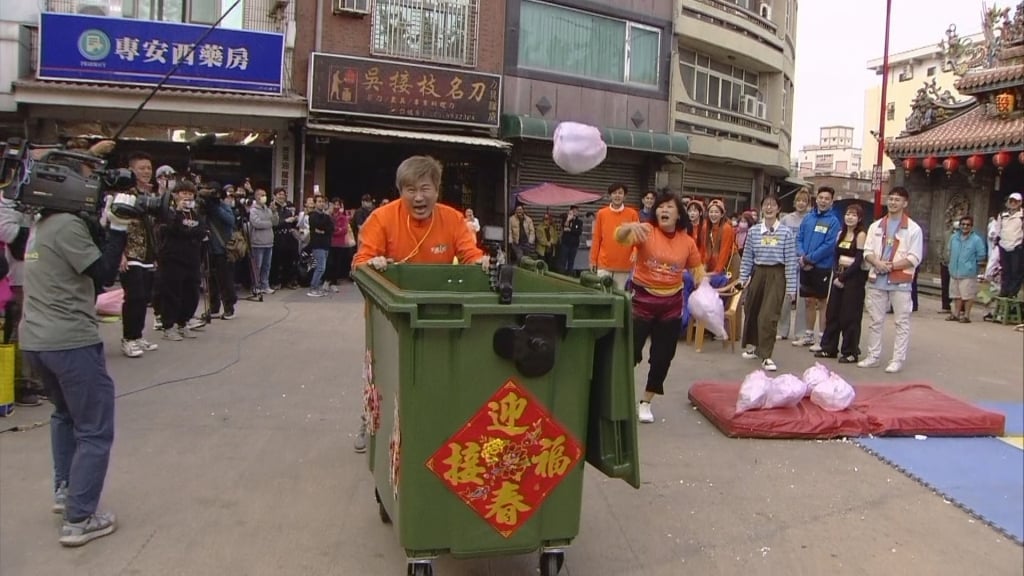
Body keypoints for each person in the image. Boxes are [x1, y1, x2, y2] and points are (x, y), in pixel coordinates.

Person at [350, 156, 487, 452]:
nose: (419, 197)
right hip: (386, 316)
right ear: (400, 191)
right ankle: (369, 418)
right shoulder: (381, 219)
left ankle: (429, 426)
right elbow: (359, 264)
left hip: (436, 316)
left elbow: (470, 256)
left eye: (425, 188)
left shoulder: (452, 219)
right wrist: (374, 263)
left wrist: (482, 263)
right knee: (381, 370)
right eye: (410, 190)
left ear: (437, 189)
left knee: (432, 373)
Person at [20, 193, 130, 546]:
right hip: (70, 341)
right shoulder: (67, 225)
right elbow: (103, 273)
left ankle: (65, 491)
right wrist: (119, 228)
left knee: (64, 415)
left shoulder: (43, 223)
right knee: (94, 429)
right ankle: (80, 518)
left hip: (36, 340)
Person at [615, 192, 705, 423]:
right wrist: (628, 228)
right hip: (641, 302)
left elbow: (697, 270)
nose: (663, 210)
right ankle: (619, 397)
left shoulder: (687, 241)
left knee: (662, 357)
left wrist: (705, 293)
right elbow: (620, 237)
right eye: (660, 206)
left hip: (671, 307)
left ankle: (646, 401)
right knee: (629, 353)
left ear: (678, 214)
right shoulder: (645, 231)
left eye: (669, 207)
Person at [858, 186, 923, 374]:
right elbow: (868, 251)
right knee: (875, 320)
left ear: (905, 203)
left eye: (897, 200)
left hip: (900, 280)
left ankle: (897, 359)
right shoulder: (876, 226)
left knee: (901, 322)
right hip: (877, 278)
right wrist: (878, 263)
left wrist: (891, 266)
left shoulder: (913, 229)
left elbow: (914, 258)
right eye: (891, 199)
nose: (893, 202)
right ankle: (873, 356)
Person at [737, 194, 798, 372]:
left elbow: (791, 261)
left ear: (779, 209)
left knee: (768, 315)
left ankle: (767, 355)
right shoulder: (755, 231)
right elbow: (748, 256)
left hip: (777, 274)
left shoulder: (785, 232)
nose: (769, 208)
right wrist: (743, 278)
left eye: (773, 205)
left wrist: (791, 287)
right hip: (758, 272)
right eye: (766, 205)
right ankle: (755, 347)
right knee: (752, 309)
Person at [815, 204, 868, 363]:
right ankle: (829, 348)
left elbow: (859, 260)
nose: (850, 217)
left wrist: (843, 278)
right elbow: (836, 257)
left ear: (859, 218)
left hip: (853, 279)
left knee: (849, 315)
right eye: (847, 214)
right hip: (838, 275)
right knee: (833, 313)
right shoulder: (840, 234)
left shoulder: (861, 235)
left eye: (853, 215)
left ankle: (850, 351)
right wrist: (837, 274)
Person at [158, 181, 206, 341]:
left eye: (190, 194)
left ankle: (183, 322)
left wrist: (187, 232)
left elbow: (201, 231)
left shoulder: (196, 214)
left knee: (192, 292)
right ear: (176, 195)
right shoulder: (169, 212)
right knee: (172, 292)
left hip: (192, 258)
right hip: (172, 258)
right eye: (184, 193)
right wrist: (179, 216)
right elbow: (170, 230)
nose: (187, 197)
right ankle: (168, 326)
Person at [793, 187, 840, 351]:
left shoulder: (834, 221)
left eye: (827, 198)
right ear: (816, 199)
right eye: (821, 197)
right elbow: (799, 238)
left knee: (821, 302)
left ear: (831, 201)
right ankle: (808, 336)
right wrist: (802, 255)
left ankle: (822, 338)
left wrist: (810, 258)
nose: (823, 201)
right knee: (808, 301)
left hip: (822, 267)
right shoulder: (808, 218)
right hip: (804, 265)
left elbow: (829, 245)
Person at [591, 183, 640, 289]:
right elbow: (597, 238)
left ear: (625, 196)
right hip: (604, 262)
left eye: (620, 193)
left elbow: (637, 237)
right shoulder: (601, 213)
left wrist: (635, 251)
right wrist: (592, 260)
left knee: (619, 296)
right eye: (614, 193)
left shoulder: (632, 214)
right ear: (610, 196)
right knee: (602, 293)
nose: (617, 196)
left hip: (624, 264)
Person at [777, 188, 810, 340]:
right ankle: (782, 330)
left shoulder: (810, 219)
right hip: (787, 261)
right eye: (798, 201)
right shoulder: (786, 219)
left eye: (804, 201)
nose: (801, 203)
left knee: (802, 299)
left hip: (804, 261)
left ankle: (800, 332)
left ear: (808, 203)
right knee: (785, 297)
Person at [204, 183, 239, 320]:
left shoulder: (223, 206)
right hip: (208, 248)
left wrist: (215, 208)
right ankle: (214, 307)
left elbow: (231, 221)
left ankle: (229, 307)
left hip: (223, 248)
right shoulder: (204, 208)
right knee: (210, 279)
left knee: (225, 280)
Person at [946, 215, 987, 323]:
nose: (965, 226)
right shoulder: (953, 237)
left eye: (968, 225)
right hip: (954, 271)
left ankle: (967, 316)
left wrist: (974, 267)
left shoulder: (976, 240)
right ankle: (956, 314)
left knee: (967, 295)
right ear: (959, 225)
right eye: (963, 224)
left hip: (968, 272)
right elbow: (949, 251)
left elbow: (981, 255)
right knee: (956, 295)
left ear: (971, 226)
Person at [247, 188, 277, 295]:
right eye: (261, 195)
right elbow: (257, 223)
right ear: (256, 197)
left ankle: (265, 285)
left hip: (269, 242)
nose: (263, 197)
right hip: (257, 242)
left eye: (265, 194)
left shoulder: (268, 209)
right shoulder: (253, 210)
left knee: (266, 266)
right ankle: (256, 285)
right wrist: (269, 223)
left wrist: (274, 211)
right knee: (257, 266)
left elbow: (275, 222)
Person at [995, 192, 1023, 298]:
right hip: (1004, 245)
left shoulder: (1022, 216)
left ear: (1020, 202)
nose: (1013, 203)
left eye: (1015, 201)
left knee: (1016, 270)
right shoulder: (1002, 215)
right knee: (1005, 270)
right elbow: (998, 229)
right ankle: (1005, 289)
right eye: (1011, 201)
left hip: (1017, 246)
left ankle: (1013, 291)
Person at [306, 195, 334, 297]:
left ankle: (317, 287)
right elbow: (318, 225)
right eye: (319, 201)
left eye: (323, 202)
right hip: (317, 245)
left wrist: (323, 230)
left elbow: (330, 229)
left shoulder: (327, 216)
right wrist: (322, 229)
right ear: (315, 203)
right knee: (320, 267)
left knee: (323, 267)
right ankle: (313, 288)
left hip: (326, 244)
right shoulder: (312, 215)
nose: (321, 203)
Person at [558, 206, 583, 274]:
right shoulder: (566, 220)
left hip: (574, 245)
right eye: (574, 211)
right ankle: (561, 274)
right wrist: (568, 219)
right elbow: (564, 227)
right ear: (571, 211)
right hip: (565, 243)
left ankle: (569, 274)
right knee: (563, 260)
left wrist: (570, 230)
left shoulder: (579, 222)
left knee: (571, 261)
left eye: (577, 211)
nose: (576, 212)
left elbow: (579, 232)